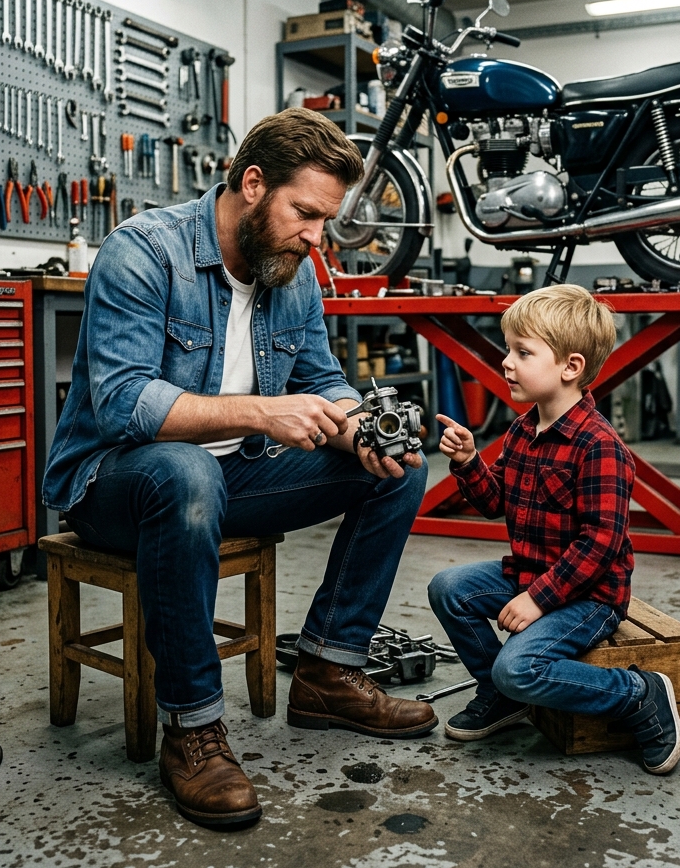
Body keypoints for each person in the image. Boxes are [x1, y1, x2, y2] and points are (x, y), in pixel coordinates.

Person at [43, 109, 436, 829]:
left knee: (399, 470)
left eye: (324, 220)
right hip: (115, 483)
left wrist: (363, 431)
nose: (318, 239)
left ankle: (327, 671)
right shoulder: (143, 252)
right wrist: (263, 412)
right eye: (307, 214)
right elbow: (125, 407)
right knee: (185, 473)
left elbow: (324, 380)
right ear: (253, 184)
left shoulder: (292, 272)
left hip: (232, 478)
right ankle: (192, 727)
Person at [428, 284, 680, 775]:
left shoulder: (599, 446)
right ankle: (502, 698)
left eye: (523, 352)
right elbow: (494, 502)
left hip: (588, 596)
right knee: (450, 589)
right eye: (509, 349)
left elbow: (601, 545)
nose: (506, 362)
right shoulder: (525, 430)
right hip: (530, 573)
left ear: (570, 367)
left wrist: (538, 599)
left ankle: (638, 695)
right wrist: (467, 461)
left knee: (518, 667)